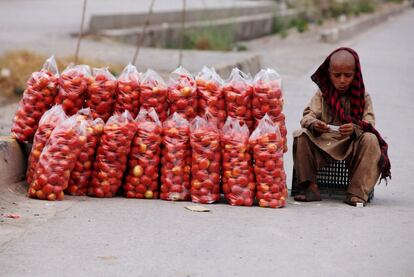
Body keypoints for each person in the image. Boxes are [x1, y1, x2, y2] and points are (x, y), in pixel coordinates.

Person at [292, 47, 391, 206]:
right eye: (337, 75)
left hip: (351, 144)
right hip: (324, 142)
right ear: (329, 73)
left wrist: (355, 128)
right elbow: (307, 116)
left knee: (371, 139)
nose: (342, 80)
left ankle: (357, 192)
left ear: (356, 74)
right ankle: (310, 187)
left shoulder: (363, 97)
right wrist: (315, 124)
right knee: (301, 135)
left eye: (348, 75)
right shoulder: (322, 94)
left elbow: (370, 123)